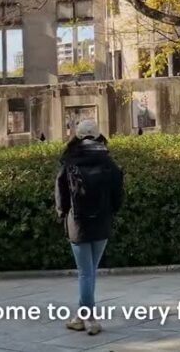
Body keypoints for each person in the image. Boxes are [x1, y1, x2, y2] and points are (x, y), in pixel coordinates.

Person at [55, 119, 124, 335]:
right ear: (97, 136)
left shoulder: (69, 161)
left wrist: (63, 215)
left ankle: (89, 318)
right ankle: (82, 316)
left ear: (77, 136)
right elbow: (118, 196)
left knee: (86, 273)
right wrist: (110, 210)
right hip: (102, 223)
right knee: (90, 272)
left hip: (78, 224)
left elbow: (61, 196)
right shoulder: (108, 161)